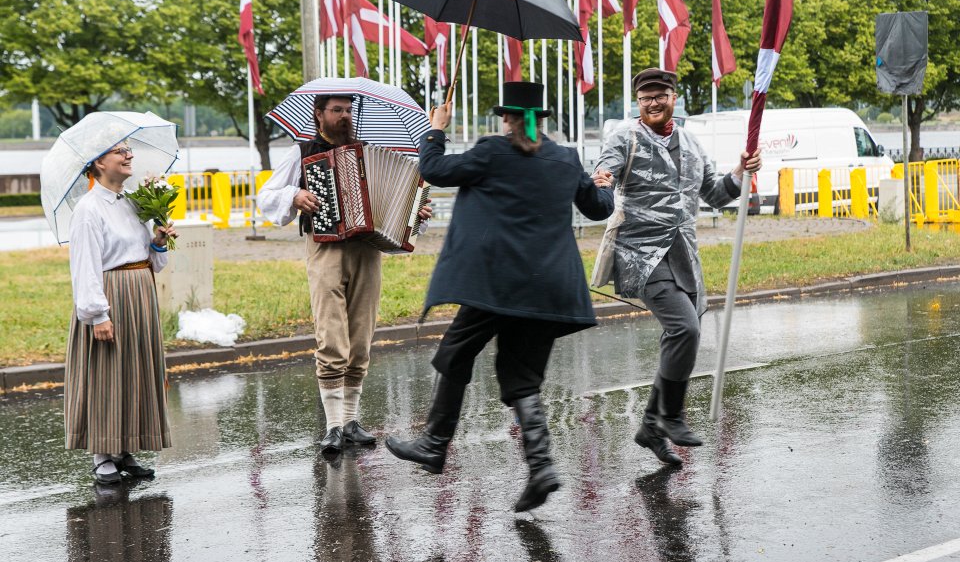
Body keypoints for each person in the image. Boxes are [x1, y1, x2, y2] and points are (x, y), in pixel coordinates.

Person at [385, 82, 615, 512]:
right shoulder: (566, 159)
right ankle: (541, 467)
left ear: (507, 118)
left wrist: (435, 129)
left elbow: (434, 169)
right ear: (540, 119)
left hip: (497, 284)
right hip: (550, 288)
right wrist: (605, 185)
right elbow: (599, 209)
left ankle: (435, 445)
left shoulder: (491, 151)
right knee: (521, 377)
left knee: (454, 353)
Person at [593, 68, 762, 466]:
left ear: (674, 97)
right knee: (684, 328)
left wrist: (740, 171)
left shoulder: (690, 142)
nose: (654, 102)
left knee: (683, 336)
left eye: (661, 95)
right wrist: (600, 180)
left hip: (684, 254)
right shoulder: (625, 137)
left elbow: (717, 195)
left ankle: (650, 426)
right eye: (646, 97)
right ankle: (671, 415)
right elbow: (605, 170)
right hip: (640, 253)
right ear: (638, 102)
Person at [258, 94, 431, 455]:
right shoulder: (303, 152)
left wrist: (416, 214)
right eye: (337, 110)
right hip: (325, 247)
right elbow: (266, 196)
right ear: (318, 113)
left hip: (368, 249)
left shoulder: (368, 153)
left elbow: (401, 203)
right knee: (331, 334)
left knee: (361, 334)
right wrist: (295, 195)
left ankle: (351, 420)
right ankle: (334, 425)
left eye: (349, 110)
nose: (344, 116)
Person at [65, 139, 178, 485]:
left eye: (129, 149)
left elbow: (151, 260)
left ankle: (124, 449)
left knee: (135, 373)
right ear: (98, 163)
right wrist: (97, 314)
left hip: (141, 293)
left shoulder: (133, 203)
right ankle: (102, 456)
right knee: (107, 374)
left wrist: (158, 241)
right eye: (119, 151)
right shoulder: (88, 209)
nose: (129, 155)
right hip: (111, 294)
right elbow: (85, 265)